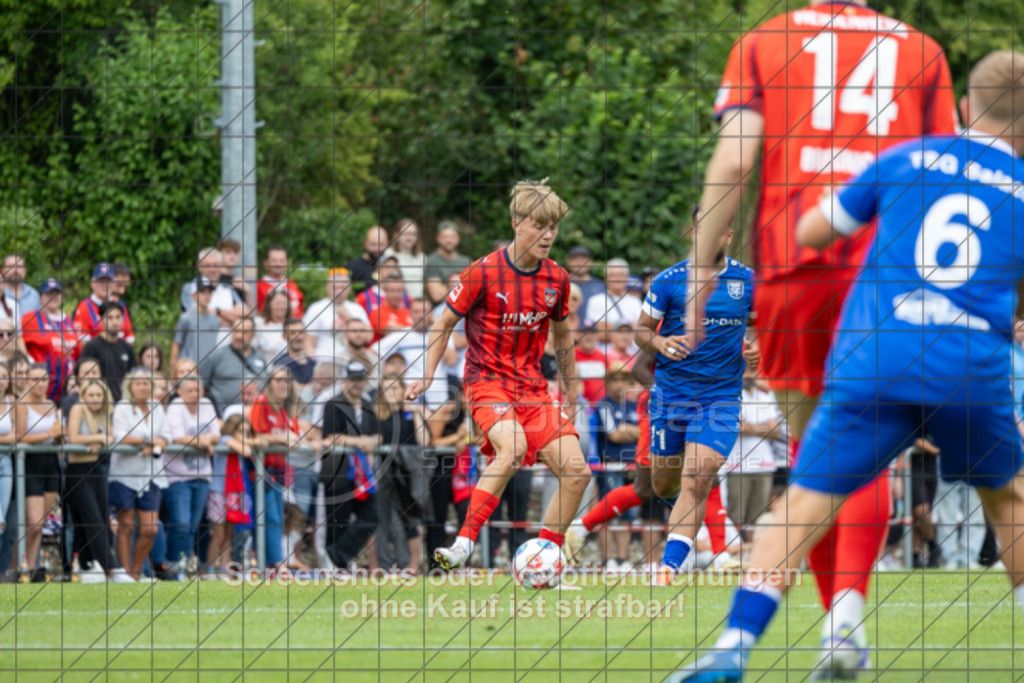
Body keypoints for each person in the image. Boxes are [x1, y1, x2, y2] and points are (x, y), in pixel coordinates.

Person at [673, 49, 1024, 682]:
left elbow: (812, 230)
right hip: (970, 364)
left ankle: (733, 648)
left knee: (803, 498)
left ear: (967, 108)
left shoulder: (906, 159)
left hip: (877, 354)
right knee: (1007, 498)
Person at [407, 178, 590, 570]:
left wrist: (572, 394)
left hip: (533, 390)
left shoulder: (556, 278)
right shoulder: (482, 273)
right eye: (539, 225)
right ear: (516, 222)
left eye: (553, 227)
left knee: (577, 473)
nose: (548, 234)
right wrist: (426, 375)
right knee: (512, 448)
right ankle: (464, 544)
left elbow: (563, 339)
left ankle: (544, 555)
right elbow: (441, 326)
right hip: (487, 382)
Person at [632, 227, 754, 584]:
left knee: (698, 478)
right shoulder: (669, 281)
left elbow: (762, 326)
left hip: (721, 398)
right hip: (671, 398)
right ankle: (686, 518)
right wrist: (659, 341)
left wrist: (759, 346)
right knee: (663, 485)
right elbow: (641, 330)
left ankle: (668, 567)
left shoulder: (747, 280)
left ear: (729, 233)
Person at [250, 366, 313, 570]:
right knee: (270, 518)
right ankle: (275, 563)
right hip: (259, 470)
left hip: (279, 471)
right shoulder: (262, 403)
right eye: (278, 380)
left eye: (286, 380)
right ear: (270, 384)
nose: (283, 385)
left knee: (278, 518)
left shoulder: (287, 409)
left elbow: (295, 437)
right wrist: (281, 438)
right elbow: (255, 437)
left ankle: (270, 563)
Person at [111, 368, 169, 582]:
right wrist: (147, 441)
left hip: (151, 474)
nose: (142, 387)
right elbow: (120, 436)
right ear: (130, 386)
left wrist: (159, 442)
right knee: (126, 525)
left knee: (151, 529)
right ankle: (125, 572)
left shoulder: (157, 408)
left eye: (146, 383)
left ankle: (136, 571)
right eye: (138, 383)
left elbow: (166, 436)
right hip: (125, 473)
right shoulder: (123, 407)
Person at [321, 361, 379, 570]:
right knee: (337, 519)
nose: (357, 384)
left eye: (360, 380)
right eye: (353, 380)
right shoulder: (333, 403)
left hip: (361, 474)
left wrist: (369, 442)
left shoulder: (368, 404)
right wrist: (360, 442)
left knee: (372, 515)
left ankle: (339, 556)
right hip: (337, 471)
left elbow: (377, 435)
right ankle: (334, 563)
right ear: (345, 381)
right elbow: (330, 436)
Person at [164, 375, 220, 579]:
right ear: (180, 392)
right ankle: (171, 565)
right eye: (190, 390)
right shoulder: (175, 408)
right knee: (180, 523)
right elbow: (177, 437)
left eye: (198, 390)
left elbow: (216, 433)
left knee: (192, 526)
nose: (195, 394)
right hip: (177, 475)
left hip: (202, 475)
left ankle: (183, 565)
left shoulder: (207, 405)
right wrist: (203, 442)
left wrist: (206, 439)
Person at [585, 364, 640, 571]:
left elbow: (646, 432)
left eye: (625, 379)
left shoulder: (633, 406)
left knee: (628, 514)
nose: (621, 383)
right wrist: (631, 431)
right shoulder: (603, 405)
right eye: (617, 379)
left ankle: (623, 559)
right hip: (609, 465)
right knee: (606, 512)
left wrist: (628, 430)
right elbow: (614, 435)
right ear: (607, 382)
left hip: (631, 465)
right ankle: (608, 560)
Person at [722, 364, 785, 541]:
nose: (749, 376)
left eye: (752, 371)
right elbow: (736, 427)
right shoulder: (731, 397)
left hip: (764, 466)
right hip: (737, 467)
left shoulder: (764, 396)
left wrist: (750, 427)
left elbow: (776, 431)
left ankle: (754, 557)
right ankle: (734, 554)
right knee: (736, 517)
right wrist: (762, 428)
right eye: (746, 371)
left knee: (759, 518)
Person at [14, 364, 65, 582]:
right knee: (32, 524)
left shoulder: (52, 405)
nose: (40, 384)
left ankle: (32, 567)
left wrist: (59, 435)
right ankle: (17, 565)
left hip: (50, 463)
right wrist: (48, 434)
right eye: (34, 379)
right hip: (30, 463)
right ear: (27, 381)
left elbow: (55, 436)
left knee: (41, 523)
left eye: (43, 379)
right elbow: (20, 436)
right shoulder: (22, 404)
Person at [373, 375, 429, 572]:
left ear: (402, 390)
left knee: (410, 521)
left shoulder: (409, 414)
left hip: (407, 474)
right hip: (384, 474)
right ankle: (381, 566)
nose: (391, 393)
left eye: (394, 388)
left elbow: (425, 440)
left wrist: (415, 413)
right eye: (386, 389)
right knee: (382, 521)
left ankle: (412, 564)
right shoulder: (377, 415)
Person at [64, 378, 116, 579]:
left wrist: (101, 442)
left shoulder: (103, 414)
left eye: (98, 395)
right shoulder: (78, 409)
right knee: (92, 519)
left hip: (95, 469)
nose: (95, 399)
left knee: (99, 518)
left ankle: (85, 566)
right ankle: (110, 568)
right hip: (77, 471)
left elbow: (111, 436)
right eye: (91, 395)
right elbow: (73, 437)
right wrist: (98, 439)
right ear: (83, 396)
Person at [374, 298, 454, 410]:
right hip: (411, 400)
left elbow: (452, 361)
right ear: (410, 314)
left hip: (438, 398)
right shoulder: (401, 335)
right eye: (416, 312)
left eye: (425, 311)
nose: (421, 315)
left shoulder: (441, 334)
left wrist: (437, 333)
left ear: (431, 314)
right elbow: (373, 352)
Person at [206, 414, 254, 576]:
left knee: (229, 534)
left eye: (246, 432)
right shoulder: (224, 438)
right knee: (218, 534)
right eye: (240, 431)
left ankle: (224, 569)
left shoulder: (239, 441)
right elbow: (246, 450)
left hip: (235, 490)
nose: (243, 435)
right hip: (219, 490)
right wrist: (248, 441)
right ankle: (211, 568)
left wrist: (247, 440)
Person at [21, 278, 80, 402]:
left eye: (56, 293)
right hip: (42, 388)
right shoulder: (31, 318)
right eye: (49, 294)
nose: (53, 297)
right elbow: (19, 344)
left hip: (67, 389)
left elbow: (77, 352)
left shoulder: (68, 320)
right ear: (41, 297)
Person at [200, 318, 268, 416]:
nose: (239, 336)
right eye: (236, 331)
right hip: (225, 419)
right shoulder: (216, 356)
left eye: (245, 332)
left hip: (255, 416)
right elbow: (202, 388)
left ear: (253, 335)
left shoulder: (260, 358)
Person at [303, 268, 369, 360]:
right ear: (327, 288)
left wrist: (348, 317)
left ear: (349, 288)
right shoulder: (316, 309)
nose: (339, 291)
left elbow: (369, 337)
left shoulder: (357, 309)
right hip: (324, 361)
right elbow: (308, 343)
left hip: (352, 361)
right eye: (334, 287)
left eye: (342, 287)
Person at [79, 301, 137, 402]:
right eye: (110, 318)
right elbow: (84, 378)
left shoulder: (127, 348)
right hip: (100, 403)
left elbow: (132, 376)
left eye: (118, 317)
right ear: (101, 320)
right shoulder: (91, 347)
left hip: (123, 403)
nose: (114, 322)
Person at [73, 262, 135, 344]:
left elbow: (129, 338)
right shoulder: (84, 307)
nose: (105, 285)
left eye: (108, 281)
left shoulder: (121, 305)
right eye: (101, 281)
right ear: (92, 283)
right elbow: (82, 343)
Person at [171, 275, 223, 369]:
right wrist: (173, 376)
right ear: (193, 295)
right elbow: (176, 347)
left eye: (209, 292)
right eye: (202, 292)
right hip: (189, 371)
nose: (206, 296)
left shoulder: (216, 320)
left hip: (208, 372)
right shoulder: (186, 318)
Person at [584, 258, 641, 342]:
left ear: (627, 278)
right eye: (614, 275)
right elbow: (600, 334)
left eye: (621, 275)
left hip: (631, 354)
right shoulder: (596, 301)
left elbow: (641, 332)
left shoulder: (635, 302)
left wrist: (610, 327)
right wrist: (630, 327)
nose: (618, 279)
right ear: (606, 279)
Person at [424, 221, 472, 304]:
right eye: (444, 237)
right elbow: (437, 295)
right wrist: (464, 290)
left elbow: (475, 290)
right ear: (437, 238)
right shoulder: (432, 261)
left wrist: (448, 288)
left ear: (458, 239)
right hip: (442, 309)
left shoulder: (467, 261)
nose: (449, 240)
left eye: (452, 237)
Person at [256, 245, 304, 317]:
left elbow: (300, 311)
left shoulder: (292, 284)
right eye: (274, 261)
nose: (278, 264)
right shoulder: (257, 286)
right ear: (265, 263)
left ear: (287, 263)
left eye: (282, 261)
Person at [385, 217, 426, 299]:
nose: (409, 238)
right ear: (396, 235)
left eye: (413, 234)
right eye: (406, 234)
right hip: (400, 302)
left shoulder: (422, 257)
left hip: (418, 303)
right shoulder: (389, 255)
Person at [364, 276, 412, 342]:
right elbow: (389, 331)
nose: (396, 294)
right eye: (392, 291)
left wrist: (397, 327)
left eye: (399, 291)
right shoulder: (377, 313)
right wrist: (414, 330)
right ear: (385, 291)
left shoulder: (409, 313)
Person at [346, 226, 390, 294]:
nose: (377, 249)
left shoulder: (391, 266)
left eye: (381, 244)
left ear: (387, 244)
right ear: (365, 244)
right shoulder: (353, 266)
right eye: (373, 244)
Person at [0, 363, 15, 549]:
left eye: (4, 376)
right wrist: (6, 438)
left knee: (1, 521)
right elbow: (10, 437)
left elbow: (17, 435)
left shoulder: (13, 401)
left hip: (6, 462)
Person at [275, 318, 315, 385]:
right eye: (293, 333)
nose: (298, 337)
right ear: (284, 336)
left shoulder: (312, 363)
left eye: (301, 332)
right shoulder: (281, 364)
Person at [1, 253, 39, 323]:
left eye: (19, 267)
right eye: (10, 267)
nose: (15, 270)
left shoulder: (34, 295)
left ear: (25, 270)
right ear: (3, 270)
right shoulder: (1, 293)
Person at [566, 245, 604, 314]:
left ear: (591, 262)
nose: (580, 263)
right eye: (576, 259)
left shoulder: (600, 285)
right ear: (569, 262)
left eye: (584, 259)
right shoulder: (561, 284)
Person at [253, 289, 290, 360]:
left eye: (284, 303)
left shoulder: (293, 325)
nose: (281, 307)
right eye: (278, 303)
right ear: (269, 304)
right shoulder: (258, 323)